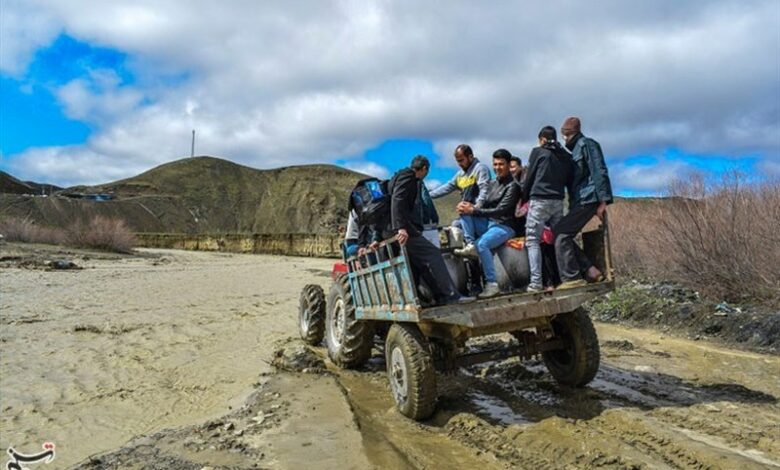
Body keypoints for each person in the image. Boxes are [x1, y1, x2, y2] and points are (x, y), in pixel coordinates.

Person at [385, 156, 464, 305]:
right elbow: (398, 200)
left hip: (400, 228)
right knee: (433, 254)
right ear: (424, 169)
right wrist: (400, 227)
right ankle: (451, 295)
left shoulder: (400, 176)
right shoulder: (408, 177)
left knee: (418, 264)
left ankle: (436, 298)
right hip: (404, 229)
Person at [554, 117, 613, 289]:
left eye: (566, 134)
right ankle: (590, 270)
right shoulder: (573, 152)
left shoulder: (587, 144)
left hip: (590, 199)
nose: (564, 138)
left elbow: (599, 170)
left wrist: (603, 201)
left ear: (572, 133)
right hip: (581, 200)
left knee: (561, 233)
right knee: (558, 233)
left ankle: (573, 278)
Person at [454, 149, 522, 298]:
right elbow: (482, 205)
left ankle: (492, 284)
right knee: (463, 210)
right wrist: (468, 208)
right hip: (489, 223)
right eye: (495, 164)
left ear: (508, 164)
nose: (497, 167)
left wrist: (475, 211)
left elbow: (501, 210)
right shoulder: (492, 184)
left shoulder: (513, 186)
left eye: (501, 164)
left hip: (505, 226)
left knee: (483, 244)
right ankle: (470, 244)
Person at [522, 126, 573, 292]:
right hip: (558, 200)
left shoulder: (538, 152)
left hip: (539, 200)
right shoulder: (563, 155)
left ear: (542, 139)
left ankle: (536, 282)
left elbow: (529, 176)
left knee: (532, 240)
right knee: (559, 238)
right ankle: (565, 277)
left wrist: (523, 198)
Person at [429, 144, 492, 248]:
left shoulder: (480, 169)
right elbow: (447, 187)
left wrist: (475, 208)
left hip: (481, 215)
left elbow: (484, 191)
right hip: (469, 217)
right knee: (455, 225)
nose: (459, 164)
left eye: (461, 160)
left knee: (463, 208)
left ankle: (470, 245)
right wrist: (428, 195)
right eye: (457, 161)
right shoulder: (460, 175)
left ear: (470, 157)